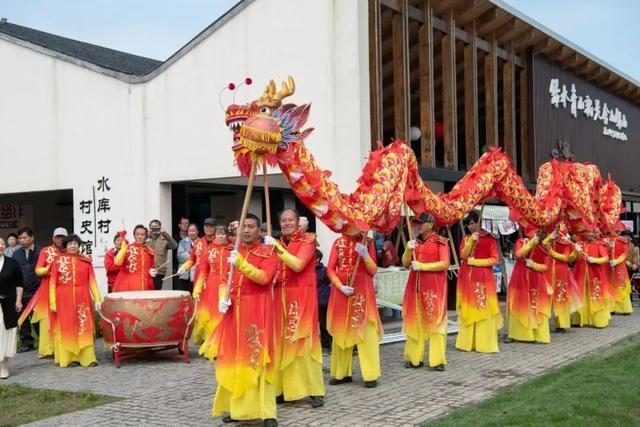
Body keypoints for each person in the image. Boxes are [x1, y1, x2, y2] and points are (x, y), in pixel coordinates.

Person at [211, 213, 278, 427]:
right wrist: (223, 297)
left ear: (259, 230)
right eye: (243, 227)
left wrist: (242, 264)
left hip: (257, 311)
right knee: (232, 357)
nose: (246, 230)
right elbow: (225, 279)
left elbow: (264, 278)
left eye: (250, 226)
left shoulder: (268, 252)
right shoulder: (234, 251)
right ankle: (235, 407)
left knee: (258, 358)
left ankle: (267, 412)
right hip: (234, 314)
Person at [265, 209, 324, 408]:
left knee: (303, 342)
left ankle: (315, 390)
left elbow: (298, 265)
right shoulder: (277, 242)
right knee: (280, 343)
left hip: (301, 297)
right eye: (283, 220)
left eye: (290, 220)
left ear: (298, 222)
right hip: (279, 298)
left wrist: (277, 250)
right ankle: (282, 390)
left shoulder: (307, 240)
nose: (287, 223)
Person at [327, 232, 383, 388]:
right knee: (341, 330)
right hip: (342, 291)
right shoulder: (338, 242)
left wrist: (365, 254)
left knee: (366, 330)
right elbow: (330, 269)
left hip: (363, 290)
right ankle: (341, 373)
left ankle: (370, 374)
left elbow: (373, 270)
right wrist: (340, 286)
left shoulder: (369, 242)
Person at [401, 213, 450, 370]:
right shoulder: (414, 242)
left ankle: (437, 360)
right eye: (417, 223)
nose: (418, 226)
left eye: (421, 223)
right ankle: (414, 358)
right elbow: (405, 262)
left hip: (433, 288)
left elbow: (445, 264)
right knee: (415, 322)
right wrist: (408, 250)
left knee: (435, 322)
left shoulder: (440, 242)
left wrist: (423, 266)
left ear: (430, 224)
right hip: (414, 287)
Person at [49, 234, 101, 367]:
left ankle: (88, 358)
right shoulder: (57, 261)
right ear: (65, 245)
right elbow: (52, 283)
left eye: (75, 243)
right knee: (67, 326)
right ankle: (70, 358)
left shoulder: (85, 261)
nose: (73, 245)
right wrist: (53, 302)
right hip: (63, 297)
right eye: (70, 243)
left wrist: (97, 298)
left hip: (82, 297)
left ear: (79, 245)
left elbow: (92, 281)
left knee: (84, 326)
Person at [455, 212, 502, 353]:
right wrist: (470, 242)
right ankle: (467, 343)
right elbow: (463, 255)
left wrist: (476, 262)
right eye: (468, 224)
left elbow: (494, 259)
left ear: (478, 223)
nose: (470, 227)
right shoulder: (466, 238)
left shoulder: (490, 239)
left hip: (483, 278)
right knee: (469, 307)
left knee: (483, 308)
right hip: (467, 278)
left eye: (473, 223)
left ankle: (485, 343)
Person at [20, 227, 67, 358]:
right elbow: (37, 270)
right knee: (46, 319)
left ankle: (63, 346)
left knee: (64, 317)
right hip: (47, 289)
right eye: (58, 237)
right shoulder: (46, 251)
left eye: (63, 237)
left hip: (65, 289)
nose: (60, 239)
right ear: (53, 238)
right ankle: (47, 349)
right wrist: (50, 269)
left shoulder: (70, 251)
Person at [505, 228, 552, 344]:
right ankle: (515, 334)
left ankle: (537, 334)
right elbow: (518, 254)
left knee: (535, 304)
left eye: (543, 231)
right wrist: (532, 243)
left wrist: (534, 265)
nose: (541, 233)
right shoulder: (521, 241)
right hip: (519, 275)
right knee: (517, 302)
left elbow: (546, 267)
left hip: (536, 278)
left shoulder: (545, 246)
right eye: (539, 231)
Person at [194, 225, 232, 360]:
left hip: (228, 286)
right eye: (218, 234)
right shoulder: (209, 250)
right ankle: (213, 347)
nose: (221, 236)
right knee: (212, 317)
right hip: (212, 287)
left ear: (227, 235)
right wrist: (197, 289)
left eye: (223, 234)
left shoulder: (233, 250)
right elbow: (204, 271)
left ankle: (225, 347)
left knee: (225, 317)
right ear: (215, 235)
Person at [542, 226, 581, 332]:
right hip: (546, 269)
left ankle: (562, 324)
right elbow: (540, 248)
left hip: (561, 271)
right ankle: (542, 323)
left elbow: (566, 258)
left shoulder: (566, 243)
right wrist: (548, 239)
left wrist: (576, 252)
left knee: (561, 296)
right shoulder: (545, 239)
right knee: (544, 296)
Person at [571, 233, 615, 328]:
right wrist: (575, 251)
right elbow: (571, 259)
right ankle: (579, 319)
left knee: (596, 295)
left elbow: (606, 258)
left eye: (591, 232)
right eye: (587, 232)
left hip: (595, 274)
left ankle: (599, 321)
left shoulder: (598, 244)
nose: (590, 234)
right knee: (581, 295)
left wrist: (595, 260)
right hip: (580, 274)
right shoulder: (578, 244)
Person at [12, 227, 42, 353]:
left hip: (38, 290)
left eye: (25, 237)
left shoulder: (41, 251)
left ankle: (44, 343)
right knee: (22, 318)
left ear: (32, 237)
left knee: (38, 319)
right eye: (20, 238)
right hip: (21, 290)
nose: (22, 240)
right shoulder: (16, 254)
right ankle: (27, 343)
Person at [0, 237, 24, 378]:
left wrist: (19, 300)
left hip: (8, 304)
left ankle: (4, 366)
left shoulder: (12, 263)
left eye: (2, 244)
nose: (1, 247)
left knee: (6, 334)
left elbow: (19, 283)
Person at [113, 225, 155, 292]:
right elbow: (117, 262)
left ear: (145, 236)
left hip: (145, 285)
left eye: (142, 234)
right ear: (134, 236)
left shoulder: (149, 250)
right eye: (137, 234)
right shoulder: (128, 248)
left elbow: (152, 265)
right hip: (129, 286)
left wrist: (152, 271)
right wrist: (123, 248)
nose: (140, 236)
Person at [147, 219, 178, 290]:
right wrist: (146, 235)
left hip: (159, 270)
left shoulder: (164, 239)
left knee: (157, 290)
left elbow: (175, 246)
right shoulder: (146, 238)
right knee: (147, 290)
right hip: (147, 269)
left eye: (157, 228)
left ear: (160, 228)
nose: (154, 230)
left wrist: (165, 233)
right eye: (153, 228)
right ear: (149, 228)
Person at [609, 228, 633, 315]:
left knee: (622, 287)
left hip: (619, 267)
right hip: (609, 267)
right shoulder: (606, 241)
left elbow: (624, 254)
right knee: (610, 287)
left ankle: (625, 309)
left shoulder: (623, 242)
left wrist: (616, 261)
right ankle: (611, 308)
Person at [315, 250, 332, 350]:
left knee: (325, 323)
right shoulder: (309, 270)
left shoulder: (323, 270)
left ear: (317, 259)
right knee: (321, 324)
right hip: (314, 300)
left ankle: (327, 344)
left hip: (323, 300)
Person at [176, 224, 199, 293]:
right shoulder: (182, 242)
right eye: (189, 231)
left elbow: (203, 257)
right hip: (184, 273)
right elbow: (180, 256)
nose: (191, 233)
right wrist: (194, 255)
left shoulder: (202, 242)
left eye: (193, 231)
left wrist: (191, 254)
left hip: (197, 273)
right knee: (184, 295)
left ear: (197, 232)